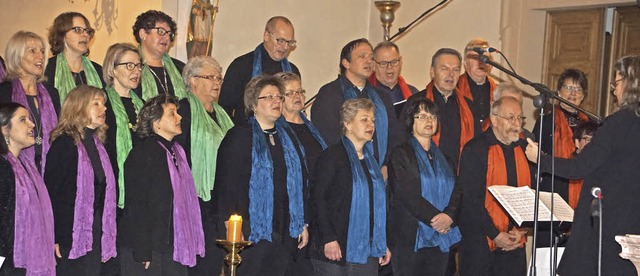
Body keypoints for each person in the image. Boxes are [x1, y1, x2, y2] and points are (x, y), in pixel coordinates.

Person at [525, 55, 640, 276]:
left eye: (616, 83)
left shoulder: (616, 124)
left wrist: (541, 159)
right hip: (632, 224)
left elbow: (581, 167)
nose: (614, 91)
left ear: (628, 83)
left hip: (604, 224)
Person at [214, 75, 307, 275]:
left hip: (284, 227)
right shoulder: (239, 136)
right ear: (253, 104)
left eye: (279, 97)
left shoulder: (288, 137)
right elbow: (225, 186)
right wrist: (231, 227)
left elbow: (300, 183)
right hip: (250, 228)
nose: (276, 101)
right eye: (269, 97)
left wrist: (302, 222)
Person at [119, 94, 204, 275]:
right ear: (156, 122)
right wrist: (142, 250)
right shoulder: (143, 154)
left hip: (173, 244)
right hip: (148, 247)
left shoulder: (177, 152)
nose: (179, 117)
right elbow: (137, 205)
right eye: (172, 113)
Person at [310, 98, 391, 275]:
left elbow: (376, 207)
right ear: (347, 123)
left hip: (367, 249)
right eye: (364, 119)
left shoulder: (371, 162)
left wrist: (381, 243)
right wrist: (328, 238)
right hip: (335, 248)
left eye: (373, 120)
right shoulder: (332, 156)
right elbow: (318, 199)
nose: (371, 124)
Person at [44, 85, 117, 275]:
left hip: (95, 230)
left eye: (104, 104)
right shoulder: (64, 144)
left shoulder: (98, 145)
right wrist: (55, 236)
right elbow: (52, 194)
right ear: (78, 107)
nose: (104, 108)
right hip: (70, 232)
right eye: (96, 104)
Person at [387, 98, 461, 276]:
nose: (429, 121)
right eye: (422, 116)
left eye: (433, 116)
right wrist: (437, 219)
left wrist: (450, 216)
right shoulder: (400, 154)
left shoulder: (445, 159)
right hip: (410, 237)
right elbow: (406, 194)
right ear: (411, 121)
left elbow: (458, 190)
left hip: (442, 236)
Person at [458, 97, 530, 276]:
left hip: (515, 244)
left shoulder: (525, 150)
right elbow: (470, 200)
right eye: (511, 118)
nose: (516, 124)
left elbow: (529, 198)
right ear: (495, 119)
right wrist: (496, 235)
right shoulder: (475, 149)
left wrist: (521, 232)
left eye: (520, 118)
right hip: (481, 245)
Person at [175, 55, 233, 276]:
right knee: (202, 264)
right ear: (192, 81)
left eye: (219, 77)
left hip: (220, 199)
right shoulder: (182, 111)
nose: (217, 82)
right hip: (195, 199)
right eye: (211, 77)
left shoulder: (223, 115)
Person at [312, 38, 403, 172]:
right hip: (344, 171)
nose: (369, 61)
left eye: (371, 57)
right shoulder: (330, 94)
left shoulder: (381, 97)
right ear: (346, 63)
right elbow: (327, 136)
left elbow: (395, 135)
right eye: (362, 56)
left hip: (380, 172)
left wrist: (386, 166)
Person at [0, 103, 55, 276]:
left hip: (25, 259)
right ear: (5, 130)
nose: (32, 124)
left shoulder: (26, 165)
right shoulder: (3, 166)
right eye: (23, 120)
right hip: (9, 261)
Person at [402, 48, 478, 170]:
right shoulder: (416, 102)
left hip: (458, 177)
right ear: (432, 72)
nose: (451, 74)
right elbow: (404, 141)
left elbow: (475, 147)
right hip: (423, 174)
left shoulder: (468, 107)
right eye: (444, 69)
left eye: (456, 69)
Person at [219, 16, 300, 125]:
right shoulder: (241, 66)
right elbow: (224, 111)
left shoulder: (293, 72)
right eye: (280, 41)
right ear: (266, 36)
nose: (285, 47)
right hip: (247, 133)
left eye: (289, 42)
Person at [532, 69, 591, 219]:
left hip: (582, 190)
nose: (573, 93)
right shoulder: (546, 121)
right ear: (558, 92)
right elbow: (535, 158)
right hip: (551, 190)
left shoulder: (591, 125)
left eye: (578, 89)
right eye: (568, 88)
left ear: (583, 95)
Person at [0, 31, 58, 172]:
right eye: (32, 51)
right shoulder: (4, 92)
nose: (40, 56)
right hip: (14, 167)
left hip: (50, 166)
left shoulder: (52, 93)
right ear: (17, 56)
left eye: (43, 51)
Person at [102, 43, 144, 212]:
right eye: (129, 66)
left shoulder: (143, 105)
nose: (136, 71)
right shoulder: (101, 102)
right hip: (112, 178)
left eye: (139, 66)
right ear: (112, 70)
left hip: (139, 179)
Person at [45, 12, 104, 106]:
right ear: (62, 34)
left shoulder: (98, 70)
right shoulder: (48, 70)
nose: (85, 35)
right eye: (77, 30)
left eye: (87, 31)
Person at [132, 10, 187, 101]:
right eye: (161, 31)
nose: (166, 38)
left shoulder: (180, 68)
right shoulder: (131, 68)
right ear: (143, 34)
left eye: (170, 34)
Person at [368, 41, 419, 117]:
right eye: (383, 63)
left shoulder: (413, 94)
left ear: (401, 62)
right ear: (374, 65)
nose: (389, 67)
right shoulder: (367, 95)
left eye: (394, 62)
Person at [458, 38, 498, 130]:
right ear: (465, 64)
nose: (481, 61)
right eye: (476, 58)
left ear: (491, 65)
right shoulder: (454, 89)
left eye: (485, 58)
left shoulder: (499, 92)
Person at [566, 121, 598, 209]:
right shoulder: (565, 167)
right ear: (577, 142)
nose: (592, 144)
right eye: (588, 140)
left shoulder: (601, 168)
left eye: (595, 140)